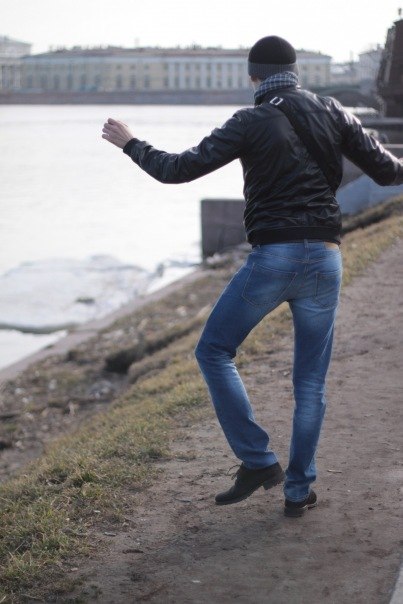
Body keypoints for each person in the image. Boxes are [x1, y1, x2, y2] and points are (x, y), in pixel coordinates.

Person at [102, 36, 403, 517]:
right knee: (310, 384)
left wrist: (130, 143)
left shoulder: (249, 120)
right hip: (326, 257)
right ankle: (298, 490)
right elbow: (388, 172)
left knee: (213, 351)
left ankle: (259, 460)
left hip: (274, 258)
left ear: (253, 76)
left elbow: (177, 169)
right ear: (296, 72)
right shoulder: (334, 111)